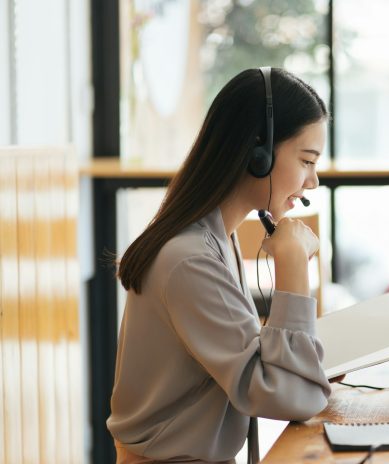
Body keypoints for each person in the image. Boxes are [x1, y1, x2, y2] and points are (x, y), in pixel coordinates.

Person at [107, 67, 335, 464]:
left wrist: (305, 360)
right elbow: (293, 397)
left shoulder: (216, 237)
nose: (312, 180)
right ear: (257, 153)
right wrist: (293, 262)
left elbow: (259, 366)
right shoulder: (190, 259)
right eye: (306, 160)